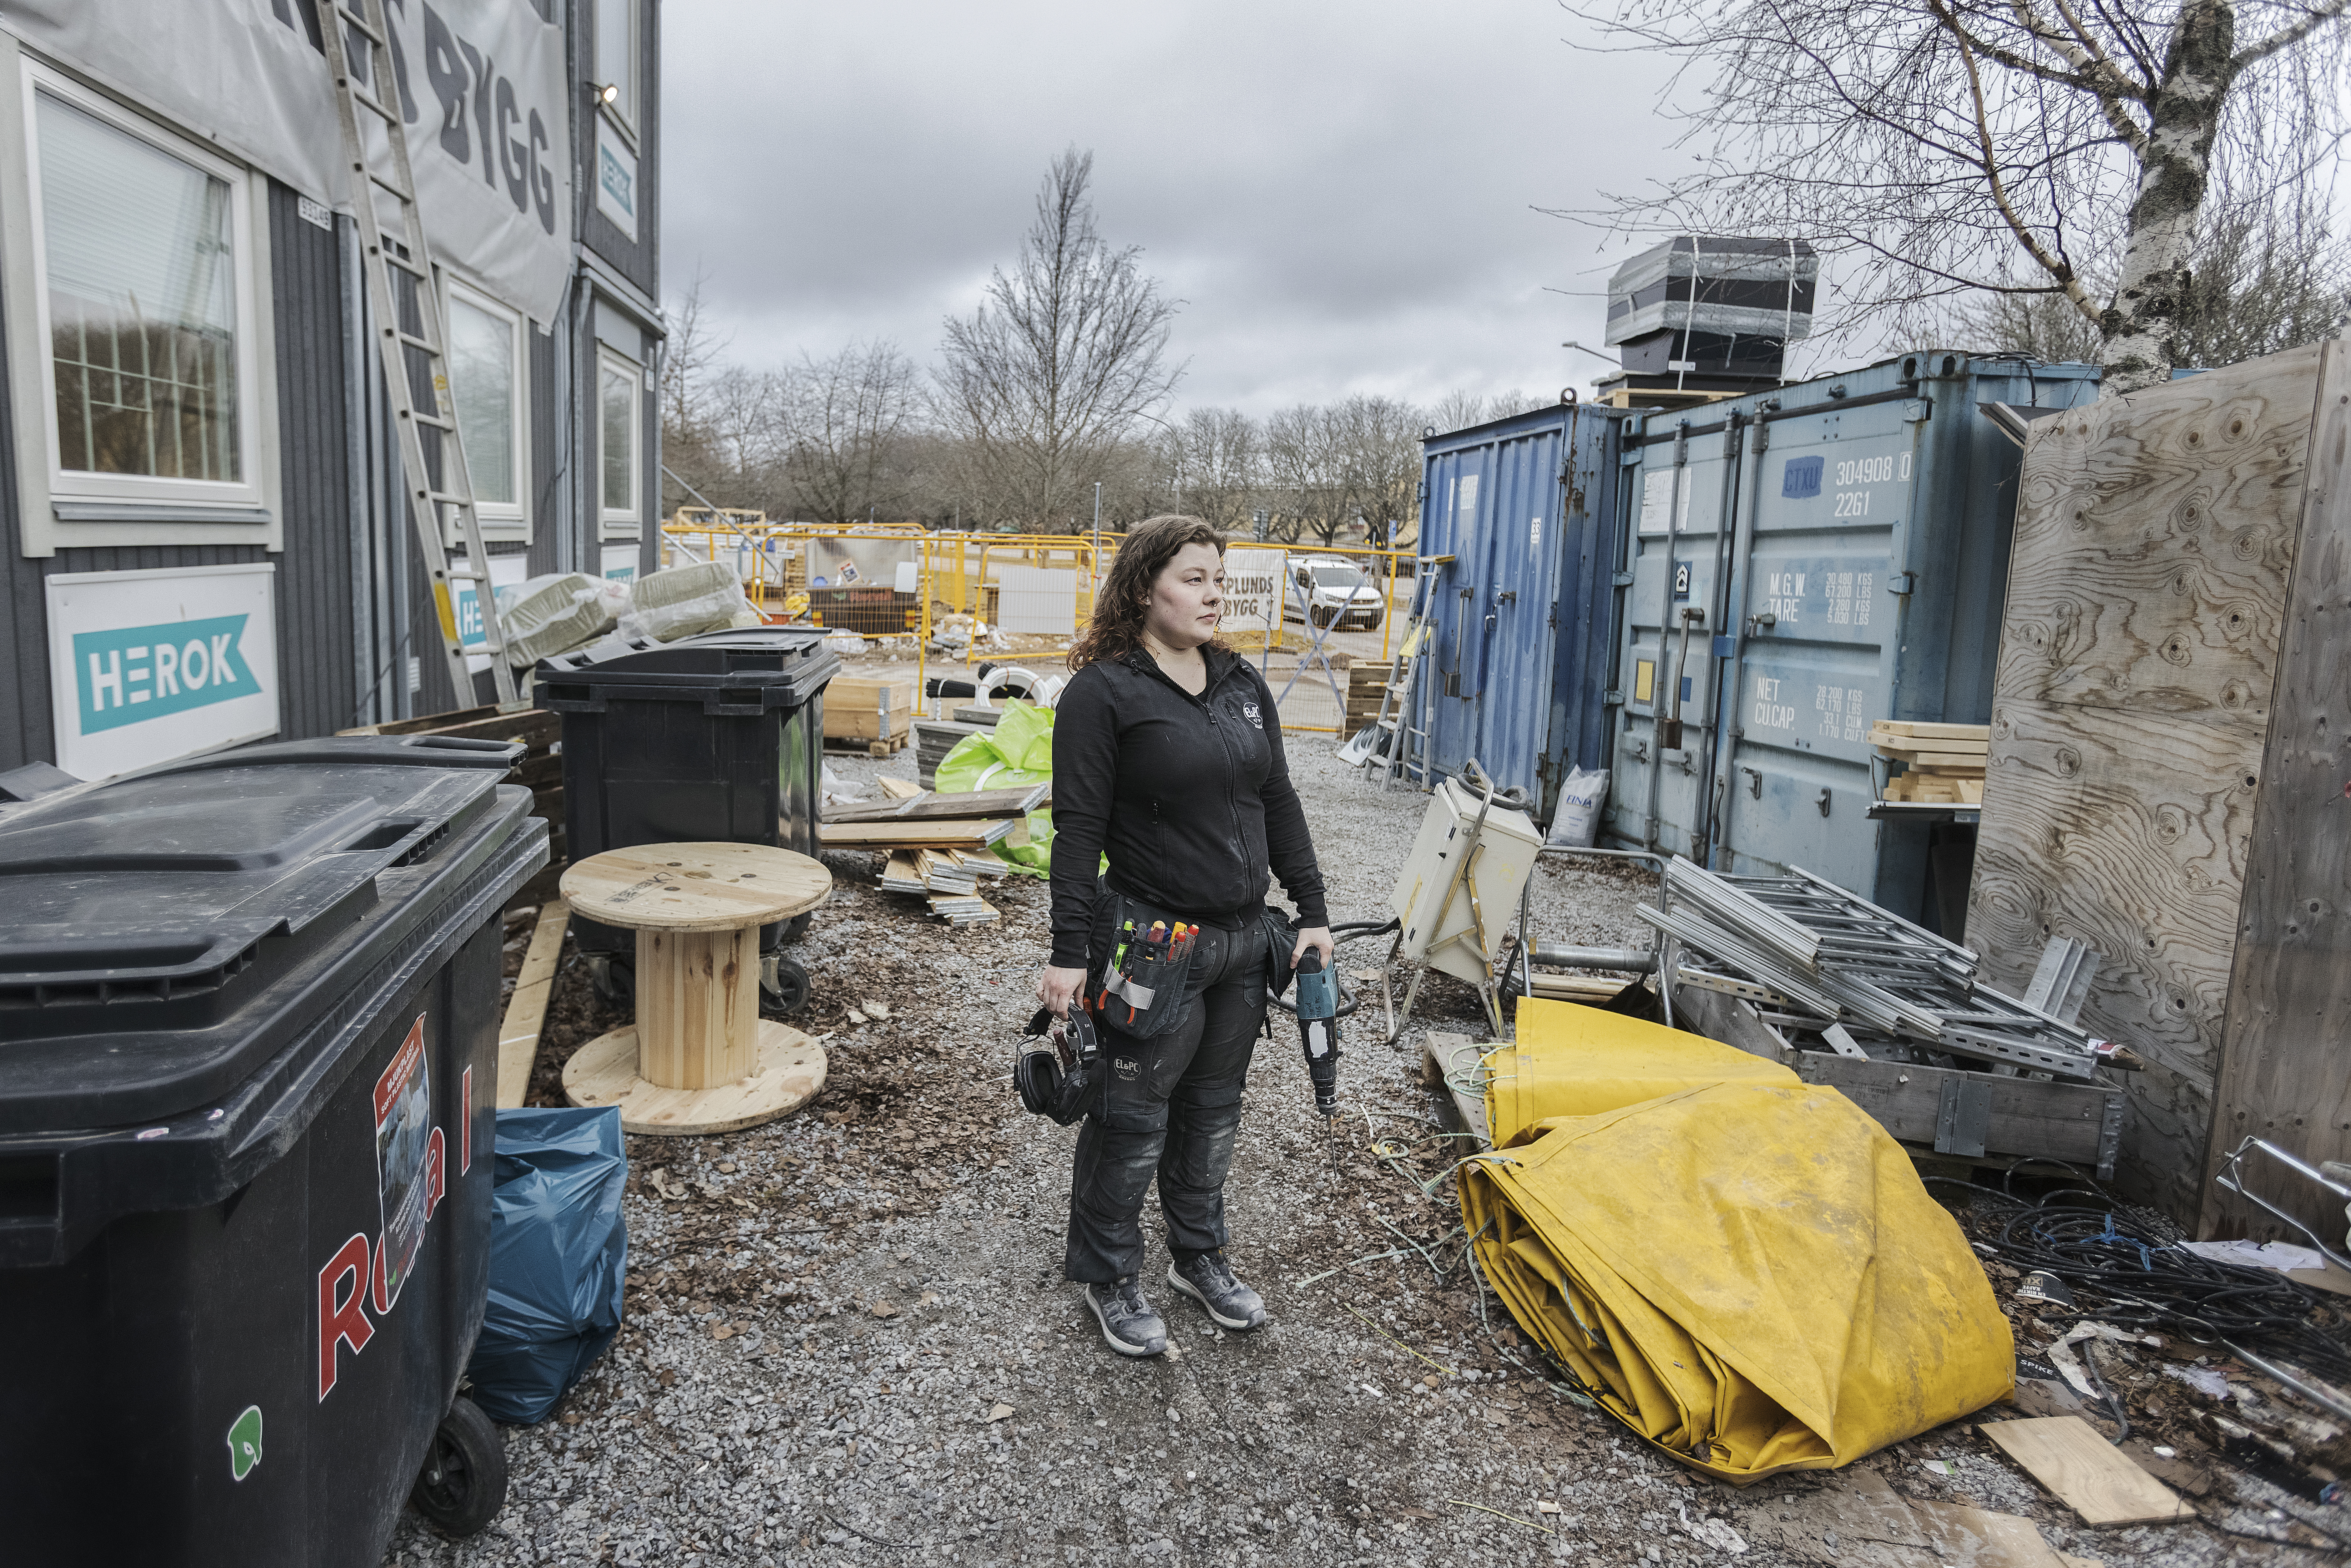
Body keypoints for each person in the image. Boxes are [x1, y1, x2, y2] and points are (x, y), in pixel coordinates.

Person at [1036, 514, 1334, 1357]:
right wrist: (1066, 955)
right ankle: (1107, 1273)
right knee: (1132, 1116)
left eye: (1220, 579)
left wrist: (1311, 912)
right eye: (1195, 578)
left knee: (1212, 1112)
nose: (1215, 595)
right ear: (1143, 589)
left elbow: (1278, 801)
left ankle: (1197, 1259)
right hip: (1150, 947)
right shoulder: (1106, 694)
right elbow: (1076, 833)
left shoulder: (1240, 682)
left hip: (1243, 947)